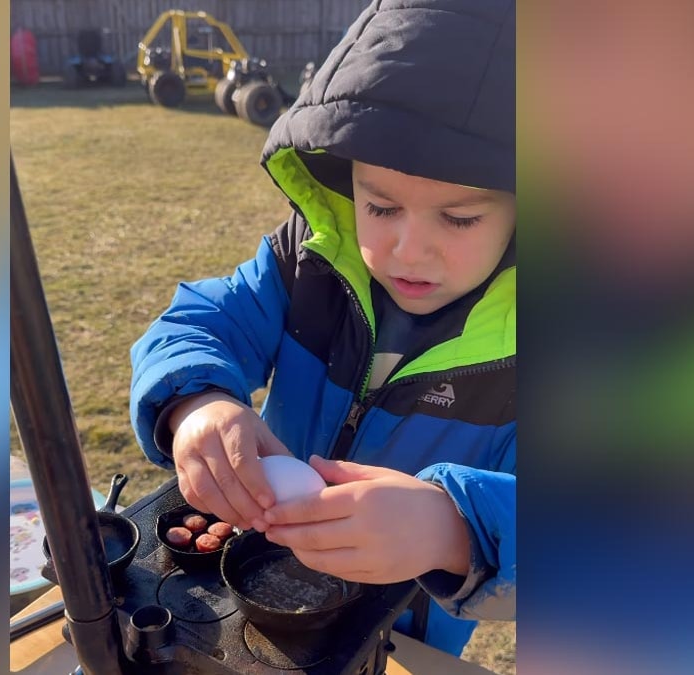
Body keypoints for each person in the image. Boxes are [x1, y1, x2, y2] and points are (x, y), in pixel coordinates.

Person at [129, 0, 515, 654]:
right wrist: (195, 403)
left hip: (396, 636)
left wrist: (454, 528)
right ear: (345, 183)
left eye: (459, 218)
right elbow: (200, 319)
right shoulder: (308, 263)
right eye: (382, 205)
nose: (407, 250)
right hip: (262, 588)